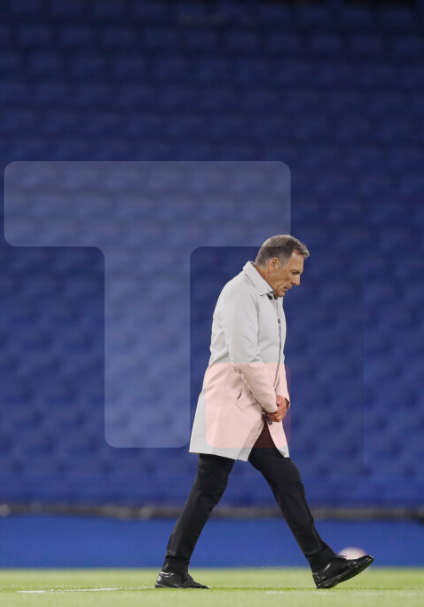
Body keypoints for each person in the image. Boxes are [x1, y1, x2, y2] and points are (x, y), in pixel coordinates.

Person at [155, 235, 373, 590]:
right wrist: (273, 403)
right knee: (211, 486)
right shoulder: (239, 293)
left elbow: (275, 355)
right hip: (232, 406)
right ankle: (173, 569)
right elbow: (245, 357)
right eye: (294, 272)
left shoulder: (271, 298)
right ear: (273, 264)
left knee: (285, 480)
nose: (297, 281)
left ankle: (322, 564)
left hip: (256, 409)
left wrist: (282, 395)